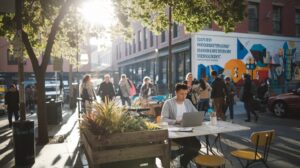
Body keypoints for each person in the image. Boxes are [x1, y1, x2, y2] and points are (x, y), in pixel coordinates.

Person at [161, 83, 201, 168]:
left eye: (186, 94)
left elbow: (196, 113)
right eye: (181, 94)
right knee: (194, 148)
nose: (184, 96)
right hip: (175, 132)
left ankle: (177, 156)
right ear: (176, 93)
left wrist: (197, 118)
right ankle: (182, 162)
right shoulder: (168, 103)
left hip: (188, 130)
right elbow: (163, 119)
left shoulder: (188, 102)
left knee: (197, 146)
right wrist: (176, 121)